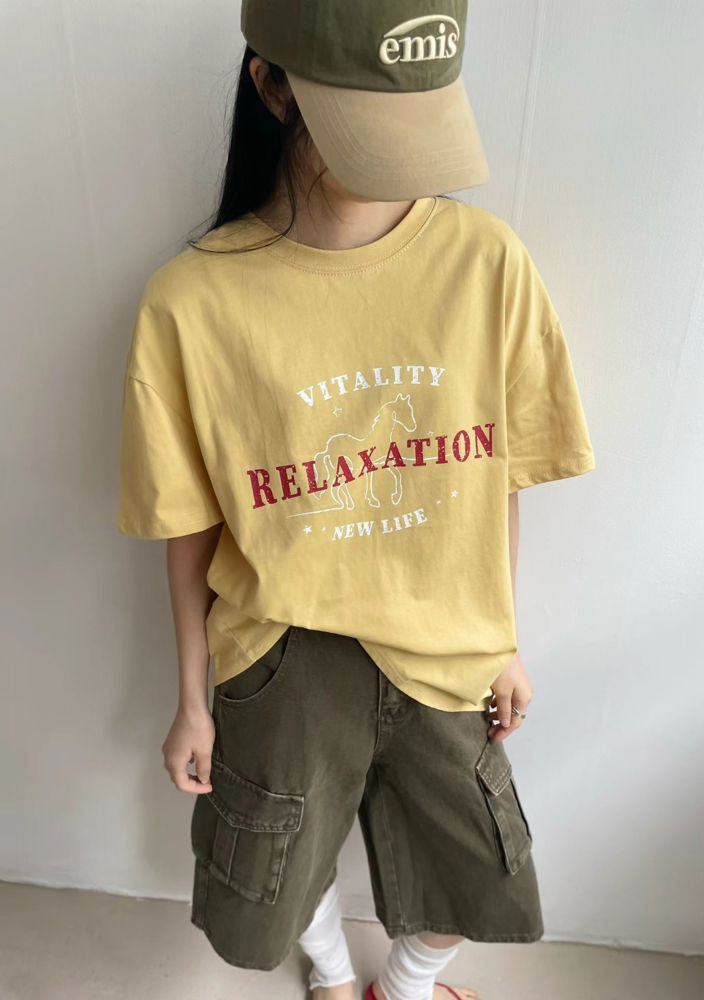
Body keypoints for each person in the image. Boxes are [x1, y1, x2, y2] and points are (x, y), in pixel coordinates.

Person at [117, 2, 596, 998]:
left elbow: (496, 475)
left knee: (482, 872)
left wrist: (502, 638)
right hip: (281, 650)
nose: (401, 161)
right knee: (275, 875)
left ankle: (405, 986)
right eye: (365, 122)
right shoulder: (192, 303)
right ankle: (334, 977)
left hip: (444, 640)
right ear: (271, 85)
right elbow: (188, 526)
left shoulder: (487, 264)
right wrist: (192, 699)